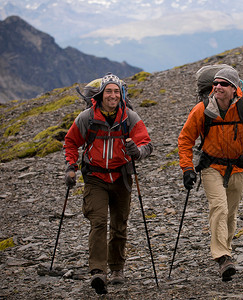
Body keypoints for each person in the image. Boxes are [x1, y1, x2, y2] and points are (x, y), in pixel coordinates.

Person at [178, 66, 243, 281]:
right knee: (219, 208)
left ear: (234, 88)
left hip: (239, 167)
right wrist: (187, 168)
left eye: (224, 84)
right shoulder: (202, 109)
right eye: (216, 84)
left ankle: (226, 251)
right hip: (211, 167)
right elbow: (185, 139)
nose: (218, 87)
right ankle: (222, 257)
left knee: (230, 213)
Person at [63, 73, 153, 294]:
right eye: (108, 91)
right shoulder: (87, 118)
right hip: (95, 178)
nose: (112, 95)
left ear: (121, 95)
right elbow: (71, 141)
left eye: (116, 91)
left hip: (121, 177)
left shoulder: (129, 117)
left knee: (119, 225)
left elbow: (147, 144)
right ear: (101, 94)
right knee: (99, 222)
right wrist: (70, 167)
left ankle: (117, 269)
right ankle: (98, 272)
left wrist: (137, 152)